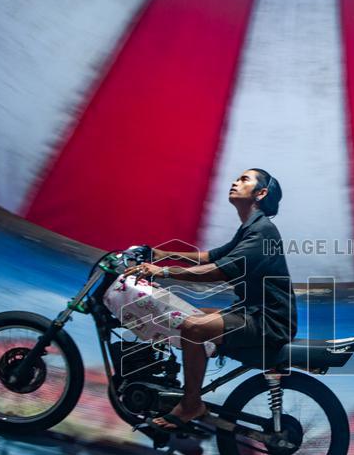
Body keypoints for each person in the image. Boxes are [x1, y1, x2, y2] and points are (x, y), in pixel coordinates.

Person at [120, 168, 298, 433]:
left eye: (244, 179)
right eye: (237, 178)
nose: (235, 182)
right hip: (250, 312)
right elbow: (209, 257)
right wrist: (159, 253)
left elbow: (216, 271)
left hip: (269, 322)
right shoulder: (249, 229)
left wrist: (164, 272)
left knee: (193, 328)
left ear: (261, 193)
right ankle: (173, 382)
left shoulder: (263, 232)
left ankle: (191, 404)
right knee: (184, 313)